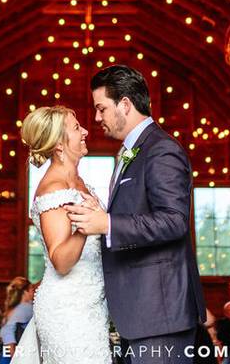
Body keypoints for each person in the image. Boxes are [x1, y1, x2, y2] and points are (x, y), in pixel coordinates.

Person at [66, 65, 207, 363]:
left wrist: (107, 224)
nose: (97, 118)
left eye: (101, 108)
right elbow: (139, 212)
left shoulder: (161, 150)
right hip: (140, 313)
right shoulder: (133, 150)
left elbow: (174, 221)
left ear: (125, 104)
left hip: (160, 313)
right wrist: (103, 215)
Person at [9, 105, 110, 364]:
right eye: (77, 128)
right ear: (59, 145)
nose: (86, 131)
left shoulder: (80, 183)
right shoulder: (53, 190)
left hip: (91, 306)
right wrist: (86, 227)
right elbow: (61, 261)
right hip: (68, 311)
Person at [0, 277, 34, 362]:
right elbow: (7, 331)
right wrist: (15, 357)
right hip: (13, 354)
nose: (34, 292)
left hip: (7, 352)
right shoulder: (26, 308)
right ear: (25, 292)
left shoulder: (12, 308)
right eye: (32, 290)